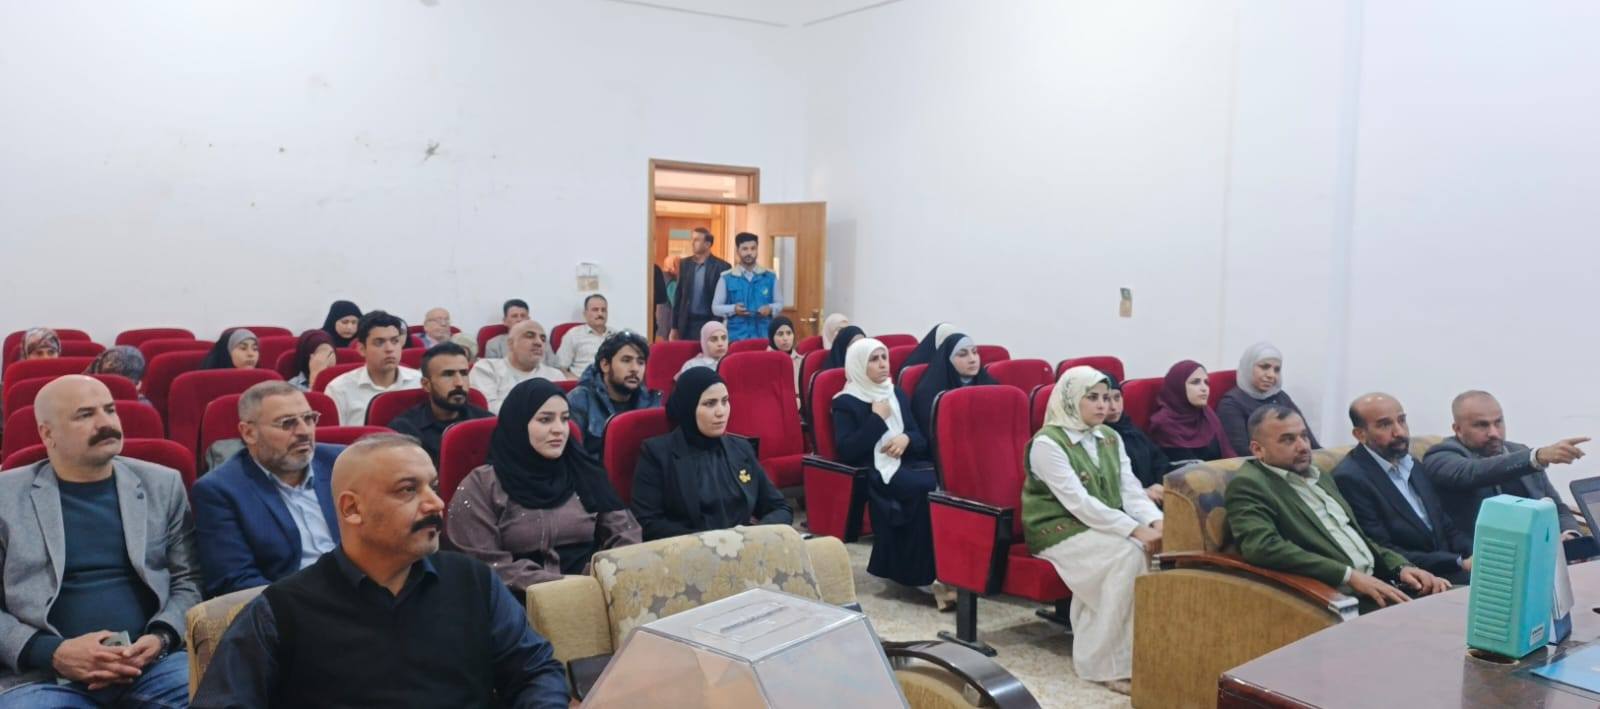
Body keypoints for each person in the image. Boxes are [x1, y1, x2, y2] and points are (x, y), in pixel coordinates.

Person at [190, 435, 569, 708]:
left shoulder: (473, 581)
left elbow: (535, 671)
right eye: (408, 490)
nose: (436, 503)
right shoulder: (282, 610)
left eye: (433, 486)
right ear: (352, 509)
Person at [0, 375, 197, 705]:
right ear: (47, 433)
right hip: (44, 676)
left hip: (154, 666)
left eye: (110, 410)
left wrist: (162, 637)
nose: (106, 423)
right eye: (85, 415)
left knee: (221, 696)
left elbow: (188, 580)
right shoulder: (6, 497)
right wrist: (51, 652)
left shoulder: (162, 485)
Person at [1226, 405, 1449, 613]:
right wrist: (1348, 575)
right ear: (1258, 449)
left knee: (1457, 601)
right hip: (1334, 597)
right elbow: (1262, 547)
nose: (1303, 446)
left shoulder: (1319, 475)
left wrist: (1401, 567)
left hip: (1378, 582)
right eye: (1288, 440)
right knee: (1444, 616)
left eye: (1304, 436)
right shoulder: (1250, 484)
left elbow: (1357, 537)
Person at [1022, 367, 1163, 691]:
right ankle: (1104, 666)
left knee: (1148, 554)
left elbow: (1130, 490)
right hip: (1057, 529)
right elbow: (1079, 503)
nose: (1103, 405)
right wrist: (1135, 530)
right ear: (1071, 399)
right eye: (1093, 397)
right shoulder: (1047, 443)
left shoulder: (1109, 437)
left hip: (1101, 523)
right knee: (1127, 555)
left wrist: (1158, 523)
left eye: (1107, 397)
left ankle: (1138, 654)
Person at [447, 379, 641, 592]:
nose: (559, 430)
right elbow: (484, 563)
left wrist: (605, 577)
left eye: (565, 419)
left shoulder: (583, 470)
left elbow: (626, 535)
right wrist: (558, 587)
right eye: (545, 420)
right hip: (516, 598)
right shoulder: (483, 484)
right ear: (518, 424)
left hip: (593, 591)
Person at [192, 382, 342, 598]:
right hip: (292, 605)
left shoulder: (342, 463)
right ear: (249, 433)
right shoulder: (220, 491)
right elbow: (235, 580)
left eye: (309, 418)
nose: (304, 431)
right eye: (287, 423)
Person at [832, 338, 944, 604]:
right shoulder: (845, 402)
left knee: (945, 486)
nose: (883, 364)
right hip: (874, 470)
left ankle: (947, 572)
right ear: (859, 365)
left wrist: (906, 439)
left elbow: (919, 437)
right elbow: (848, 450)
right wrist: (877, 418)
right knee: (924, 489)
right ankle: (919, 573)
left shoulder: (895, 393)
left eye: (884, 357)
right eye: (874, 359)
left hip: (908, 463)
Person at [631, 367, 791, 540]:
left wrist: (753, 536)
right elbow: (648, 523)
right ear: (688, 407)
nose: (721, 412)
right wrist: (711, 543)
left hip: (746, 547)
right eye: (710, 403)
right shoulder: (657, 453)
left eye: (725, 401)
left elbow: (780, 508)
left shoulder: (741, 448)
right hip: (690, 551)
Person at [1333, 393, 1473, 585]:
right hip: (1411, 578)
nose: (1399, 432)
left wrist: (1477, 554)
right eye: (1384, 425)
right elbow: (1382, 549)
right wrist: (1458, 562)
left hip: (1449, 568)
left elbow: (1445, 526)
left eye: (1401, 420)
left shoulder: (1411, 463)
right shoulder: (1350, 478)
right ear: (1360, 434)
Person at [1420, 390, 1587, 540]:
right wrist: (1535, 457)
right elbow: (1474, 472)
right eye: (1482, 425)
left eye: (1498, 422)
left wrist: (1570, 535)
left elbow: (1557, 508)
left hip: (1543, 550)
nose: (1494, 433)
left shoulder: (1520, 452)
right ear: (1457, 429)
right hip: (1483, 556)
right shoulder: (1440, 457)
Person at [388, 343, 492, 466]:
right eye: (448, 375)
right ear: (426, 384)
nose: (459, 383)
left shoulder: (486, 421)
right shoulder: (405, 429)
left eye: (464, 373)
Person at [567, 332, 661, 457]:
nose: (635, 368)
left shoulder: (651, 401)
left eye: (640, 362)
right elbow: (574, 457)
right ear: (605, 365)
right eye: (626, 360)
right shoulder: (580, 400)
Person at [1217, 342, 1320, 455]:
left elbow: (1311, 443)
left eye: (1276, 370)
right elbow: (1243, 453)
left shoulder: (1281, 397)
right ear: (1248, 368)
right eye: (1264, 367)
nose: (1271, 375)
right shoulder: (1231, 404)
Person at [325, 311, 421, 425]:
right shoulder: (339, 389)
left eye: (395, 341)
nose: (389, 349)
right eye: (379, 342)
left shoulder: (419, 381)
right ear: (361, 349)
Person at [1148, 360, 1234, 465]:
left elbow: (1228, 455)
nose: (1204, 388)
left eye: (1206, 383)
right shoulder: (1164, 423)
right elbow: (1184, 468)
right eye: (1195, 382)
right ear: (1178, 386)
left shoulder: (1207, 414)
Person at [471, 320, 567, 414]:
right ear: (510, 343)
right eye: (529, 336)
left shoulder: (555, 375)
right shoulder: (487, 368)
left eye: (543, 339)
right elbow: (488, 409)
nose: (539, 342)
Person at [909, 333, 996, 434]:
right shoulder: (928, 394)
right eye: (962, 354)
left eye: (975, 352)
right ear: (948, 359)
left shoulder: (991, 385)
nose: (972, 359)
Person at [1105, 375, 1170, 505]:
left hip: (1155, 498)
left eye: (1117, 398)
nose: (1114, 407)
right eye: (1106, 399)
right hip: (1124, 505)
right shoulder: (1094, 437)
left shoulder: (1130, 428)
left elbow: (1159, 459)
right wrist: (1142, 493)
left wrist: (1159, 484)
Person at [712, 232, 782, 342]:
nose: (749, 253)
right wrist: (733, 309)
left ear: (757, 250)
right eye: (745, 249)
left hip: (764, 336)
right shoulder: (726, 278)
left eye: (753, 248)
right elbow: (715, 308)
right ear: (737, 251)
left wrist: (770, 308)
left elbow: (780, 303)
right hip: (736, 337)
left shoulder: (770, 277)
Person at [669, 227, 731, 341]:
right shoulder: (684, 264)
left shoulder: (722, 267)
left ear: (707, 244)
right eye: (692, 239)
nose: (692, 243)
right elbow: (678, 296)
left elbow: (726, 299)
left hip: (712, 322)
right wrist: (674, 327)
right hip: (687, 324)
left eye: (697, 240)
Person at [549, 294, 615, 379]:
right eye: (595, 310)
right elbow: (560, 368)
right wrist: (577, 382)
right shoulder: (573, 335)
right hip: (583, 382)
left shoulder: (615, 335)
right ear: (585, 314)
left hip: (612, 383)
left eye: (603, 310)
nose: (600, 313)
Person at [768, 316, 804, 403]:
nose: (785, 338)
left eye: (789, 333)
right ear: (772, 337)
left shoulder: (802, 361)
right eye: (780, 334)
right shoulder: (764, 362)